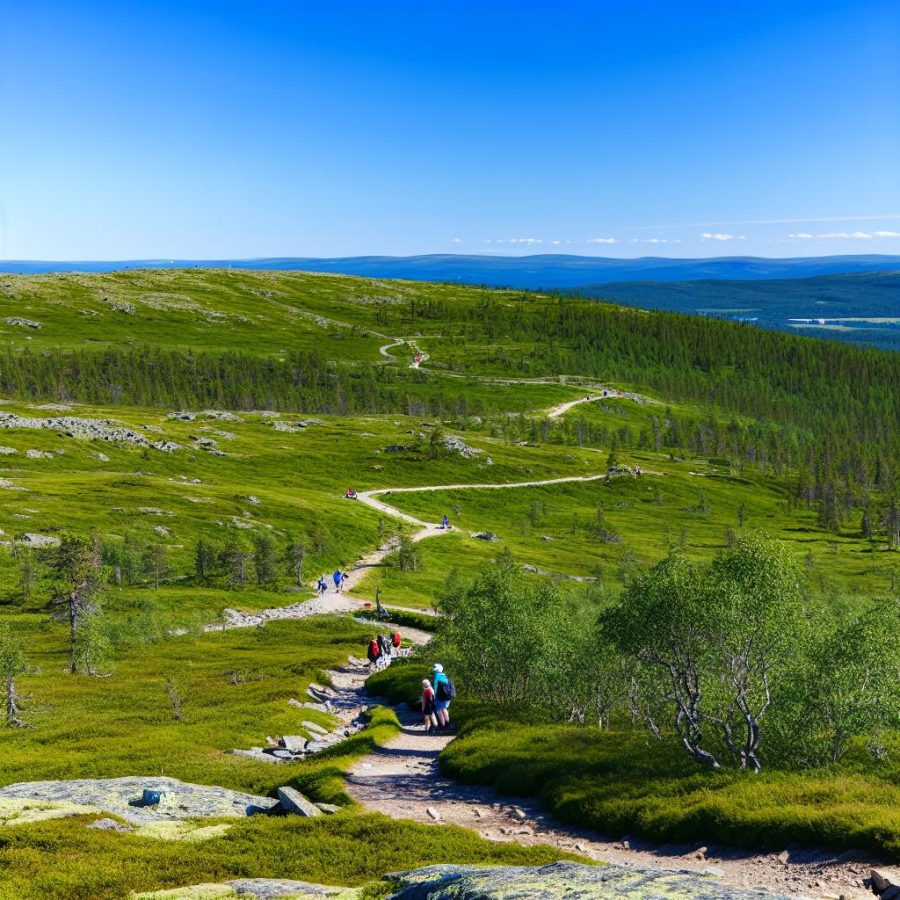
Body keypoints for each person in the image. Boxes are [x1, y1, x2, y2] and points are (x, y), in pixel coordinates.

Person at [432, 663, 455, 730]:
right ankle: (448, 724)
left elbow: (436, 689)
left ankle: (443, 726)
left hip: (439, 697)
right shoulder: (444, 676)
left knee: (439, 711)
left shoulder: (437, 677)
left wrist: (434, 697)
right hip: (445, 696)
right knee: (444, 709)